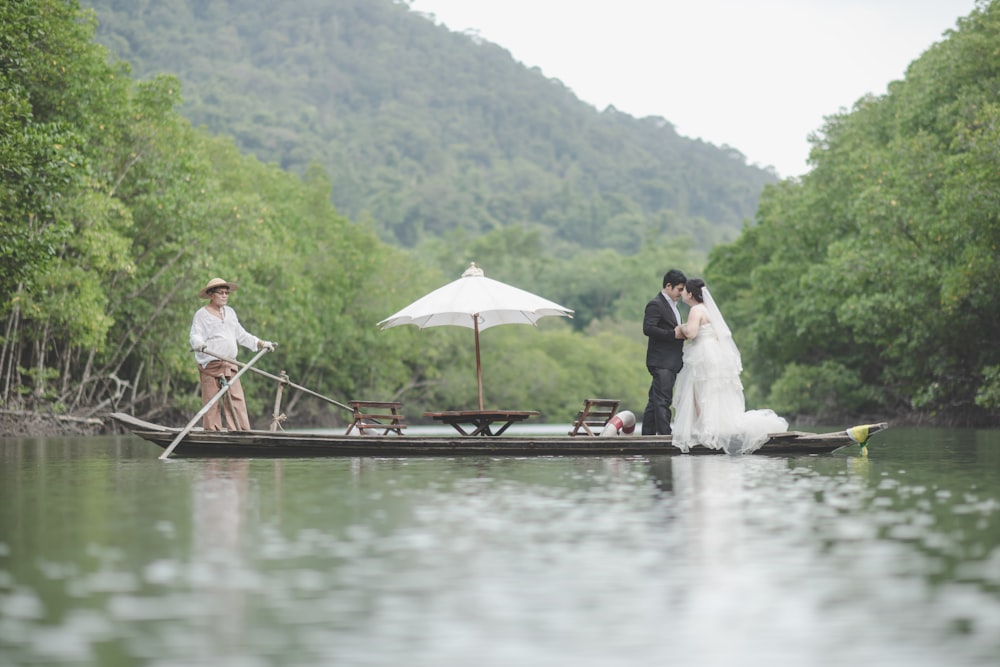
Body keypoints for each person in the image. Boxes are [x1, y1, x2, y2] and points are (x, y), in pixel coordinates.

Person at [670, 278, 787, 454]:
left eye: (684, 291)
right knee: (710, 390)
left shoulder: (695, 309)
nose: (682, 293)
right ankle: (710, 425)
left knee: (698, 390)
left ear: (691, 294)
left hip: (702, 353)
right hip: (714, 353)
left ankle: (704, 428)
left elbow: (692, 333)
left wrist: (679, 330)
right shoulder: (708, 309)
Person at [189, 278, 274, 431]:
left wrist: (262, 343)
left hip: (230, 363)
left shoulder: (230, 312)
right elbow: (195, 335)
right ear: (211, 295)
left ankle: (239, 431)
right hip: (211, 364)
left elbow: (242, 335)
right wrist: (199, 344)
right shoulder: (201, 315)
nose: (224, 296)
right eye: (220, 293)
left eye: (227, 293)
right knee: (211, 401)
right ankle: (212, 433)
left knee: (236, 398)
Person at [641, 269, 687, 435]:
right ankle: (665, 436)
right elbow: (648, 328)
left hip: (670, 361)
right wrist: (672, 334)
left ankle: (647, 435)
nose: (681, 294)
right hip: (662, 361)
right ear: (668, 286)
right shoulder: (656, 304)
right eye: (679, 289)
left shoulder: (673, 306)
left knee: (654, 400)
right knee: (663, 400)